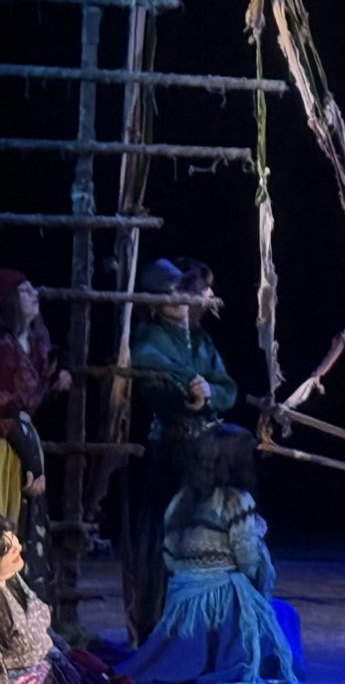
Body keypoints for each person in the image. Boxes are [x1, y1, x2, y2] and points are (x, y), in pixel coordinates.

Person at [119, 424, 301, 684]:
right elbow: (247, 558)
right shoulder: (236, 501)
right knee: (284, 615)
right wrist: (250, 587)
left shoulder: (181, 500)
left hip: (182, 601)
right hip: (221, 600)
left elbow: (169, 554)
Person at [126, 258, 237, 644]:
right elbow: (155, 378)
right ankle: (161, 629)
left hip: (205, 449)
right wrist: (189, 392)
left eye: (182, 291)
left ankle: (202, 629)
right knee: (166, 536)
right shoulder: (149, 338)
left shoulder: (200, 340)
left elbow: (227, 387)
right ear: (155, 302)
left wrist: (209, 394)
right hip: (171, 450)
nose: (179, 299)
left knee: (206, 536)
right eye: (170, 294)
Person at [0, 272, 68, 595]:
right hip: (6, 442)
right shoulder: (3, 346)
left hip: (23, 440)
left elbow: (35, 389)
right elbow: (6, 406)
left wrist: (61, 372)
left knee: (25, 525)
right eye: (25, 291)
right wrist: (31, 458)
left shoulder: (36, 342)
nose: (34, 295)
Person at [0, 519, 122, 684]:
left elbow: (46, 631)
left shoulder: (14, 580)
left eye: (15, 540)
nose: (19, 548)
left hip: (58, 666)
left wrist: (69, 653)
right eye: (9, 549)